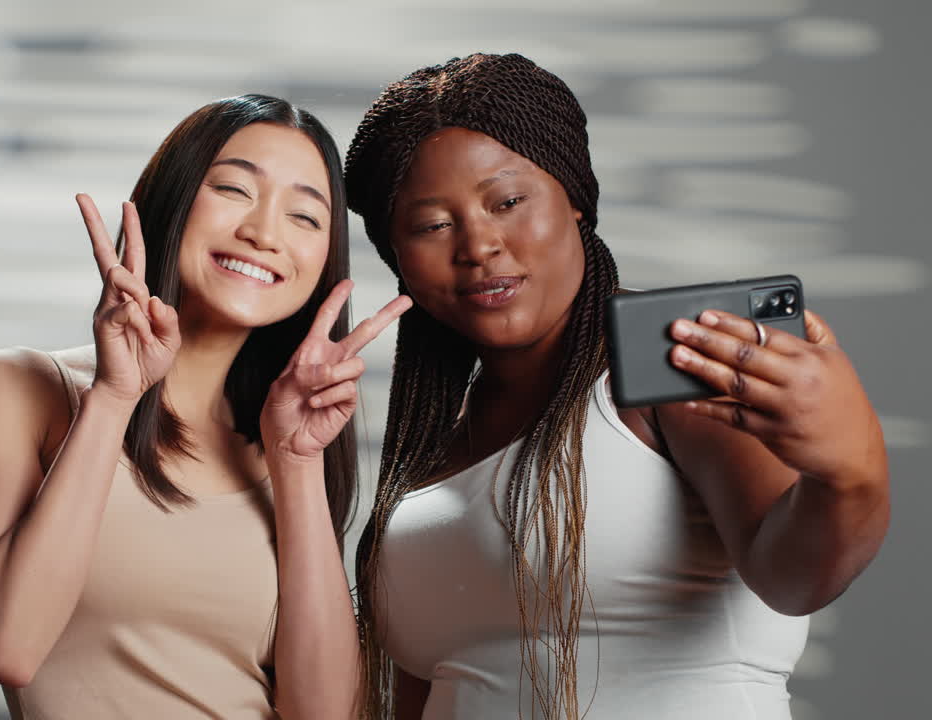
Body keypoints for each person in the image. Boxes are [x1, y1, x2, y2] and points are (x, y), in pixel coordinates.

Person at [343, 54, 890, 720]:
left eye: (508, 201)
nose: (478, 244)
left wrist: (851, 472)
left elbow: (795, 576)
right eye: (432, 225)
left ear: (574, 197)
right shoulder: (429, 452)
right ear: (395, 254)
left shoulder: (675, 366)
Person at [0, 93, 410, 719]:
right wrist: (114, 397)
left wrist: (297, 463)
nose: (263, 233)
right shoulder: (19, 387)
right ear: (174, 200)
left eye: (304, 216)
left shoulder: (285, 444)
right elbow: (10, 645)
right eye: (234, 191)